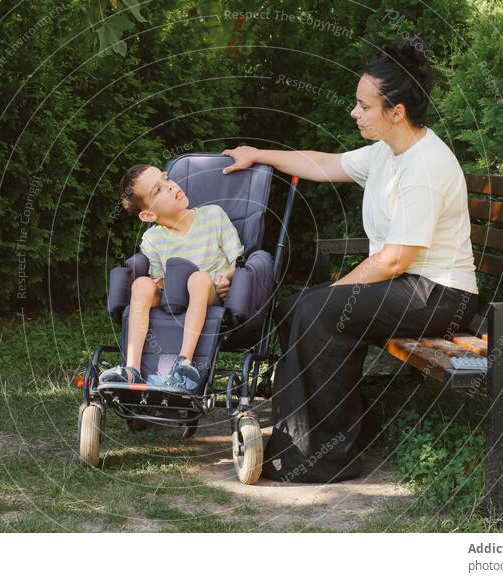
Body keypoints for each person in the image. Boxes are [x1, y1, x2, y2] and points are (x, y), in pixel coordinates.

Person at [221, 36, 480, 482]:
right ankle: (316, 436)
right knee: (294, 306)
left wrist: (335, 291)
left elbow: (396, 260)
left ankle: (324, 458)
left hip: (440, 294)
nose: (354, 113)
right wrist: (258, 154)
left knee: (320, 309)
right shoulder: (388, 152)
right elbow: (326, 164)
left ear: (396, 112)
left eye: (364, 106)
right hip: (407, 286)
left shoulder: (425, 167)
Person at [100, 164, 244, 390]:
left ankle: (183, 363)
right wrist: (157, 284)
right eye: (158, 191)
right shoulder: (152, 239)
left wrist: (227, 277)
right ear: (148, 215)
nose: (170, 187)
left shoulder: (212, 216)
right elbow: (160, 279)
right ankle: (132, 369)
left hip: (210, 291)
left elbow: (238, 258)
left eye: (166, 179)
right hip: (174, 297)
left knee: (197, 279)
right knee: (141, 284)